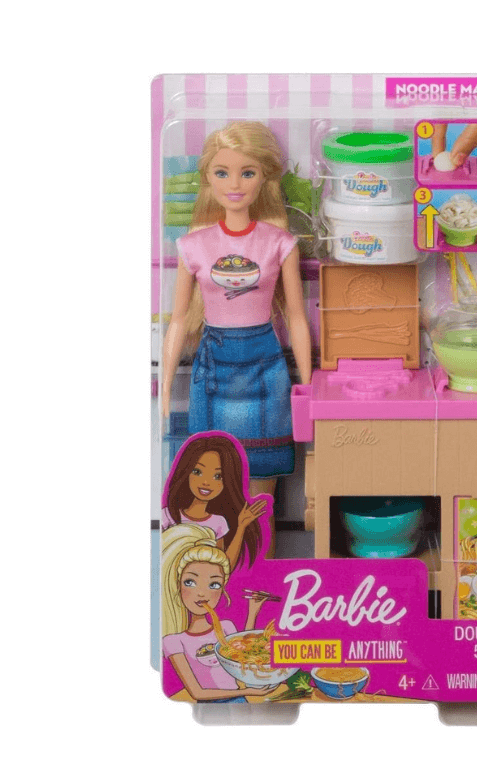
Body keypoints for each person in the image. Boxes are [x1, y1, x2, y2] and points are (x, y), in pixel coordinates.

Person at [162, 122, 312, 551]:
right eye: (222, 172)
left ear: (264, 178)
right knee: (211, 487)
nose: (234, 184)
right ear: (207, 178)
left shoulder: (279, 243)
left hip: (265, 366)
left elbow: (296, 318)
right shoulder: (193, 246)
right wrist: (166, 389)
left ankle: (259, 571)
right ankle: (215, 571)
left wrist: (308, 388)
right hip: (214, 368)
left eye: (247, 172)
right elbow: (178, 321)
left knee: (261, 495)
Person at [161, 523, 274, 702]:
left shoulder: (225, 627)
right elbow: (197, 693)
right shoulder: (174, 641)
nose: (202, 593)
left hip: (239, 703)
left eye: (214, 584)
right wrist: (248, 692)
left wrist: (253, 611)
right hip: (207, 705)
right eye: (190, 582)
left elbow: (244, 653)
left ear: (222, 590)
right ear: (178, 586)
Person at [162, 433, 268, 571]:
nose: (206, 482)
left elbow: (224, 567)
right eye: (197, 472)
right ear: (186, 472)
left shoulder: (218, 523)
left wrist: (241, 526)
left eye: (218, 476)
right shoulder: (168, 516)